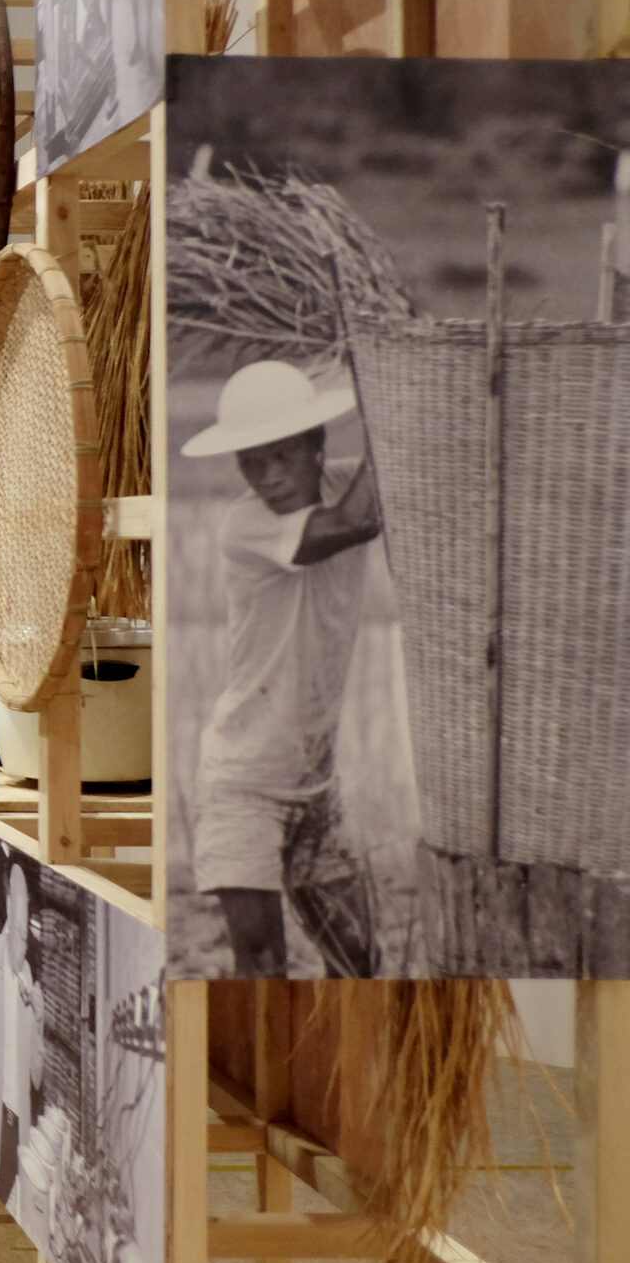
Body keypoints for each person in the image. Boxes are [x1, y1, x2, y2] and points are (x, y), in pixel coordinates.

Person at [178, 359, 385, 977]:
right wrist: (388, 409)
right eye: (251, 462)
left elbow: (391, 485)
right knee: (263, 964)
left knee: (358, 961)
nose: (268, 477)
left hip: (316, 786)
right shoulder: (245, 526)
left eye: (282, 456)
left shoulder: (346, 482)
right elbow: (357, 521)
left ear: (317, 445)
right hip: (244, 787)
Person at [0, 861, 40, 1199]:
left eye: (25, 903)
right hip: (1, 1113)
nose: (23, 921)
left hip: (20, 1122)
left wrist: (39, 1018)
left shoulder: (29, 975)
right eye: (17, 901)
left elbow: (36, 1076)